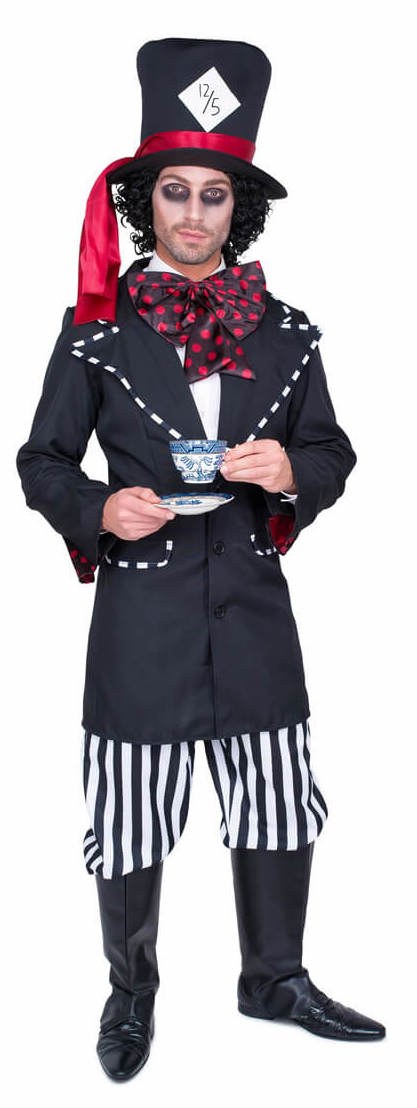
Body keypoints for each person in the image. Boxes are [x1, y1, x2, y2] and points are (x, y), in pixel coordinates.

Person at [15, 37, 386, 1083]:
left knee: (276, 796)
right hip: (142, 620)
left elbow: (332, 451)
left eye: (213, 195)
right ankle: (130, 990)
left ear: (239, 209)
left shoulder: (291, 334)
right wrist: (99, 507)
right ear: (148, 203)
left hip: (256, 614)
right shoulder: (94, 332)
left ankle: (274, 978)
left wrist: (291, 470)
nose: (192, 214)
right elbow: (42, 461)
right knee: (130, 811)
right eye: (174, 192)